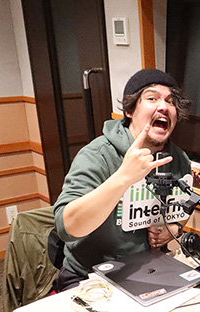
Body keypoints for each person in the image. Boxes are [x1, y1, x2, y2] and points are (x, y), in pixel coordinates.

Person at [53, 68, 192, 291]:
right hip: (89, 277)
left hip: (151, 270)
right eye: (152, 98)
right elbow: (67, 227)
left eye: (170, 101)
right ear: (129, 110)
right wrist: (124, 177)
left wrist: (173, 228)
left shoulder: (178, 160)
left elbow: (182, 208)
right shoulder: (97, 155)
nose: (164, 106)